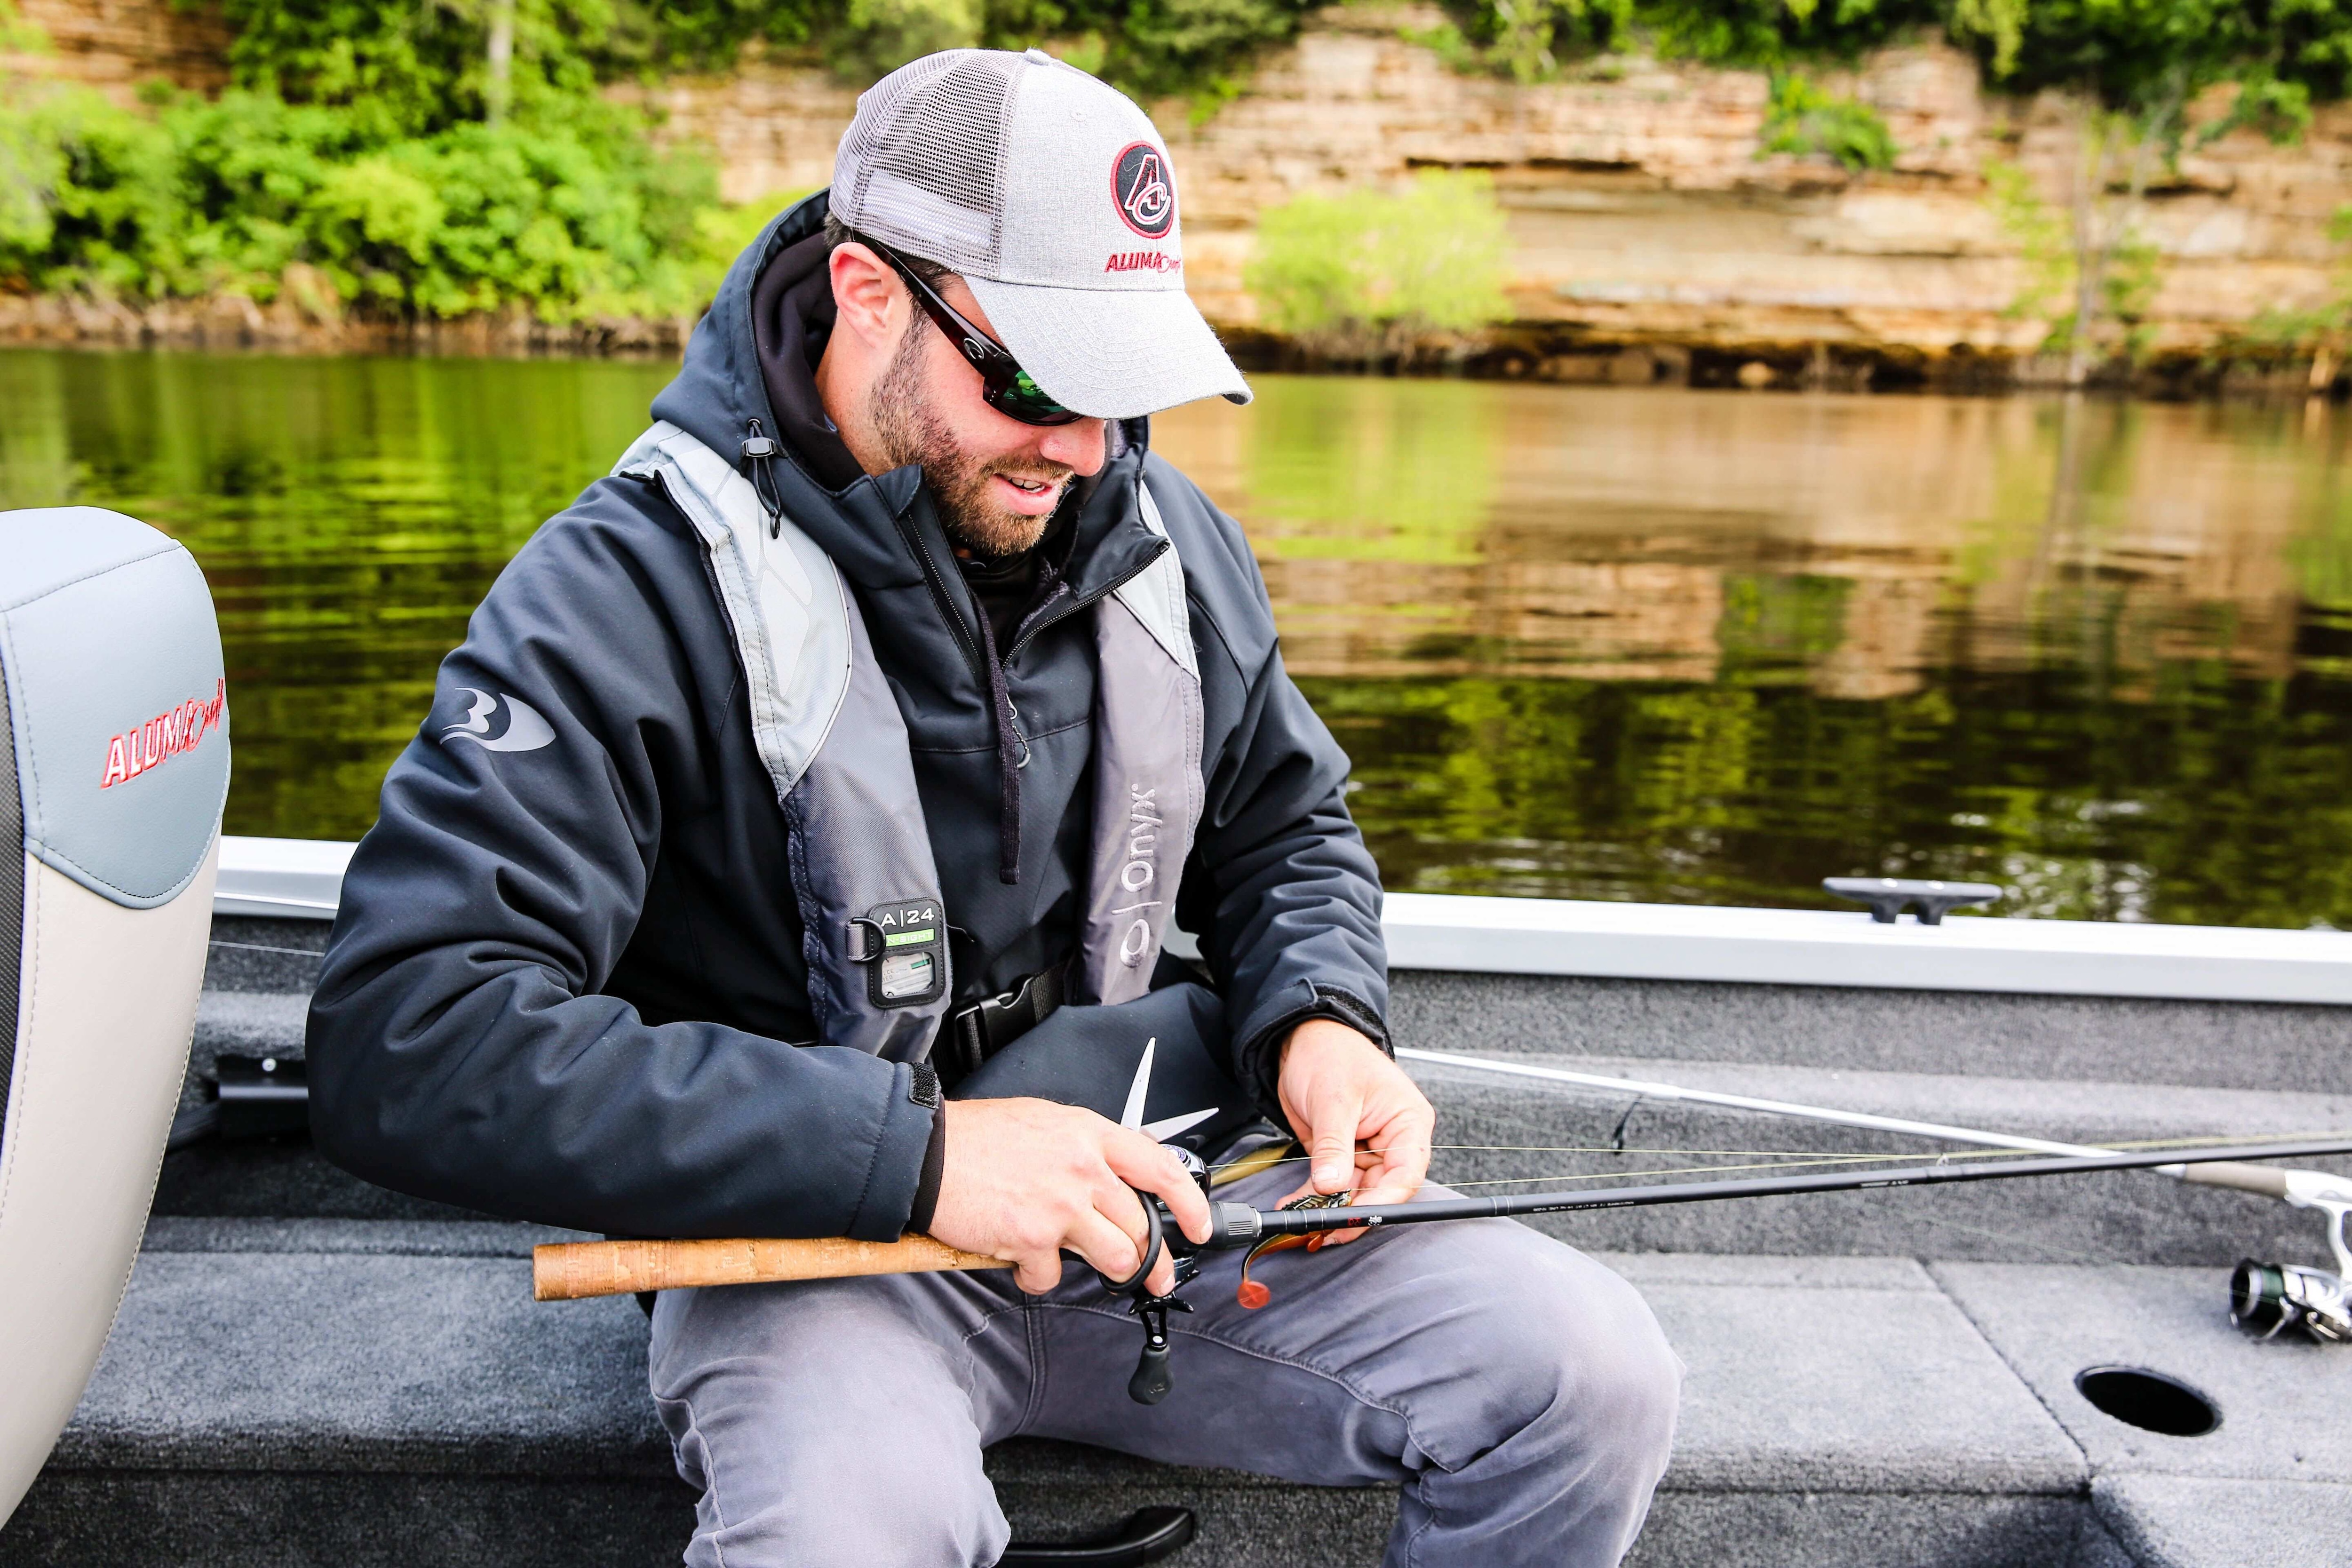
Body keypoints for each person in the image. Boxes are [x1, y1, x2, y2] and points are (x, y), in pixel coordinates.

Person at [306, 48, 1680, 1568]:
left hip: (1181, 1199)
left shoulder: (1160, 532)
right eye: (1037, 378)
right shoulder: (616, 594)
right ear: (868, 291)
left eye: (1126, 384)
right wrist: (922, 1156)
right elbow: (409, 1038)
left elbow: (1289, 831)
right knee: (842, 1539)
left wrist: (1321, 1021)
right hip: (823, 1252)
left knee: (1594, 1378)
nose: (1087, 448)